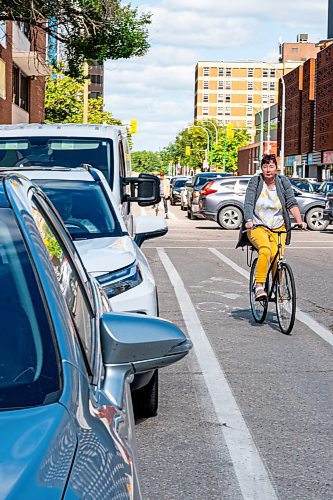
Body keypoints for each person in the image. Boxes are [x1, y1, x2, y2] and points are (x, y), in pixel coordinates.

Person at [242, 154, 306, 301]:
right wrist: (248, 220)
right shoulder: (256, 181)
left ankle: (278, 288)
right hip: (258, 226)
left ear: (276, 168)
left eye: (271, 166)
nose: (268, 170)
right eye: (265, 167)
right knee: (265, 250)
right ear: (261, 168)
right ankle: (259, 286)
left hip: (279, 227)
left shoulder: (283, 182)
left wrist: (299, 221)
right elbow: (249, 203)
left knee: (278, 257)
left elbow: (291, 202)